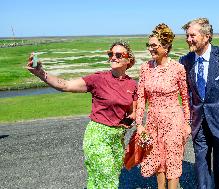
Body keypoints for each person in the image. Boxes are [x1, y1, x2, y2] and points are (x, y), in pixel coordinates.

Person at [26, 41, 137, 189]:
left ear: (128, 60)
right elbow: (65, 85)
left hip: (118, 139)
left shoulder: (132, 85)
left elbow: (132, 111)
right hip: (97, 136)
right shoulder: (98, 79)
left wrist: (130, 119)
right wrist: (41, 73)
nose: (113, 57)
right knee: (109, 180)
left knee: (98, 179)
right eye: (111, 54)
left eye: (118, 55)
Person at [179, 18, 219, 189]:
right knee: (200, 164)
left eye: (193, 35)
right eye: (187, 36)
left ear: (207, 36)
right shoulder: (185, 61)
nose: (188, 39)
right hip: (198, 121)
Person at [136, 23, 191, 189]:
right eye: (149, 45)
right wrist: (139, 124)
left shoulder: (178, 69)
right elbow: (140, 97)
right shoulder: (145, 68)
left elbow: (185, 98)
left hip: (174, 121)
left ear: (166, 47)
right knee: (157, 158)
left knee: (172, 159)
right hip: (153, 120)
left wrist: (187, 123)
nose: (150, 49)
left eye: (154, 45)